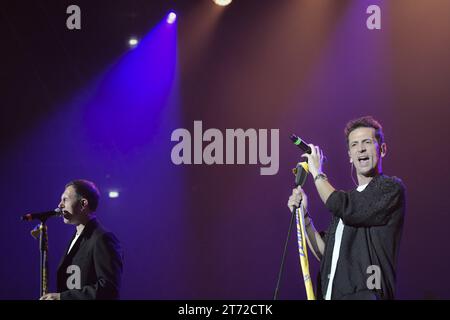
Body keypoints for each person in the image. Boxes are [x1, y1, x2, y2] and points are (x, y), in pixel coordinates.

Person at [288, 116, 406, 300]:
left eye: (367, 142)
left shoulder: (390, 188)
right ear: (350, 156)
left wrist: (318, 174)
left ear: (382, 149)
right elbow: (325, 253)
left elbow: (339, 204)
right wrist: (303, 216)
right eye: (354, 145)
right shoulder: (348, 203)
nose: (361, 149)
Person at [40, 179, 123, 300]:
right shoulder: (76, 237)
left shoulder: (102, 238)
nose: (59, 205)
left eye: (65, 199)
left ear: (83, 204)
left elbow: (109, 289)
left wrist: (62, 297)